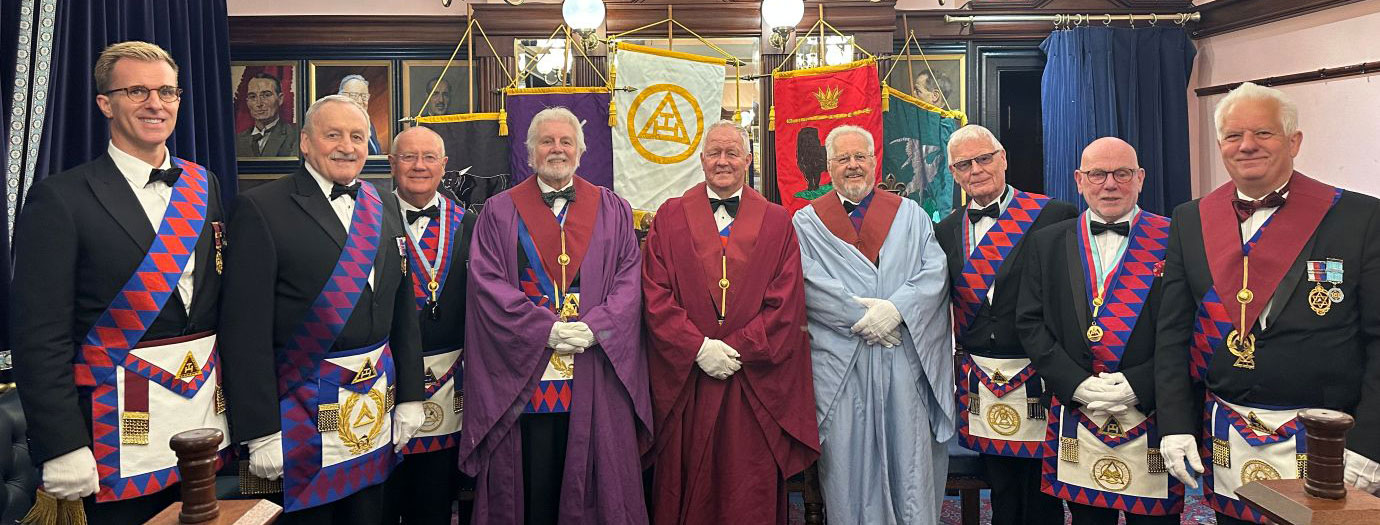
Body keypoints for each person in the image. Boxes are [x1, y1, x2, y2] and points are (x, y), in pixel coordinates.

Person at [10, 41, 228, 524]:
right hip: (111, 430)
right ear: (105, 103)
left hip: (199, 418)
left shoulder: (203, 184)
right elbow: (39, 335)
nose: (156, 103)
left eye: (167, 92)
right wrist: (62, 442)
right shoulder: (59, 200)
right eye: (137, 91)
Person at [1154, 82, 1380, 524]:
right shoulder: (1190, 218)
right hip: (1229, 429)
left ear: (1294, 141)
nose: (1247, 146)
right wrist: (1176, 423)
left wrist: (1370, 443)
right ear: (1221, 145)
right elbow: (1173, 332)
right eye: (1234, 136)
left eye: (1264, 133)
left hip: (1328, 440)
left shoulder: (1361, 219)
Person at [217, 94, 425, 523]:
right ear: (306, 143)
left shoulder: (383, 203)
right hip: (300, 414)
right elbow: (244, 330)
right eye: (333, 135)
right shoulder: (261, 208)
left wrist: (410, 396)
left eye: (357, 136)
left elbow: (401, 306)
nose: (347, 146)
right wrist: (259, 431)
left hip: (371, 409)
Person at [458, 107, 650, 525]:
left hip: (594, 362)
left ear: (581, 151)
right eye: (547, 141)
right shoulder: (499, 211)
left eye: (566, 141)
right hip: (525, 371)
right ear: (530, 152)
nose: (557, 149)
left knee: (596, 472)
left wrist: (597, 327)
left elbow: (629, 279)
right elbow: (487, 285)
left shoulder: (613, 210)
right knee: (532, 484)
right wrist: (545, 330)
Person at [642, 121, 820, 524]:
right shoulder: (669, 217)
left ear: (748, 159)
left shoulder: (777, 221)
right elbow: (654, 294)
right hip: (688, 378)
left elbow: (786, 302)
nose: (723, 161)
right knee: (684, 485)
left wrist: (739, 348)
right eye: (714, 153)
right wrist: (699, 348)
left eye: (732, 153)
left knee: (747, 488)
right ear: (701, 159)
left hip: (750, 381)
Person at [794, 125, 955, 523]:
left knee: (910, 460)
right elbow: (806, 280)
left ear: (874, 161)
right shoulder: (806, 222)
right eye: (843, 159)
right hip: (843, 363)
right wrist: (863, 318)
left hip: (901, 356)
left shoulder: (911, 215)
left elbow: (934, 272)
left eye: (860, 157)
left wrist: (896, 310)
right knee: (848, 466)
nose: (853, 166)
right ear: (828, 167)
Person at [1017, 137, 1181, 524]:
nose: (1110, 184)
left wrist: (1140, 384)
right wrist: (1074, 383)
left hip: (1151, 409)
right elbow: (1030, 322)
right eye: (1097, 174)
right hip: (1080, 410)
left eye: (1122, 173)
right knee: (1088, 519)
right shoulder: (1046, 242)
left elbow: (1189, 328)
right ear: (1078, 180)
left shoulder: (1175, 238)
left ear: (1140, 178)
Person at [935, 124, 1076, 525]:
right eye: (964, 164)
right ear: (954, 173)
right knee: (1000, 483)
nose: (976, 169)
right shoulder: (945, 230)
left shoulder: (1053, 215)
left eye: (984, 158)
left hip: (1040, 370)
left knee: (1043, 485)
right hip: (981, 375)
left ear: (1003, 159)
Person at [380, 126, 476, 525]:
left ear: (444, 166)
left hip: (450, 380)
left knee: (434, 500)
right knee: (382, 497)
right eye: (408, 157)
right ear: (391, 164)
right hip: (385, 379)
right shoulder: (370, 216)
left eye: (429, 157)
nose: (419, 166)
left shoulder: (469, 221)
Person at [235, 71, 299, 157]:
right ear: (247, 102)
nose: (259, 103)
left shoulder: (296, 135)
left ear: (280, 99)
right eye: (253, 96)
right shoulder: (236, 140)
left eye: (266, 95)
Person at [338, 74, 383, 155]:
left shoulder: (369, 125)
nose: (360, 101)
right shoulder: (335, 125)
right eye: (354, 95)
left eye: (364, 96)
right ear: (341, 97)